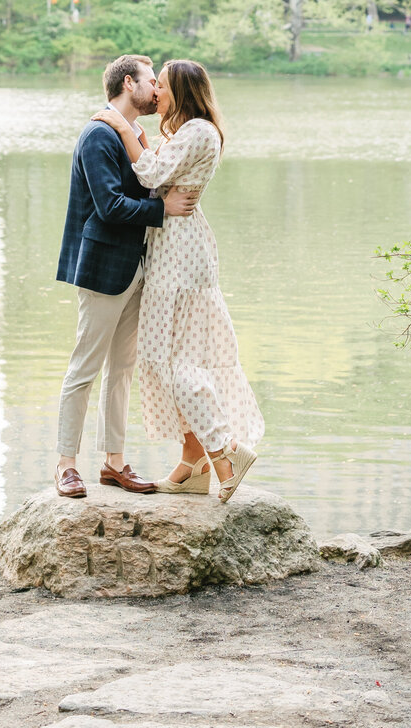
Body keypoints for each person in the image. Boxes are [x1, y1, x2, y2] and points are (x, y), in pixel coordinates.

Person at [92, 59, 262, 504]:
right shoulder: (188, 133)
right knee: (168, 360)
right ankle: (193, 465)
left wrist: (122, 126)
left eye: (162, 86)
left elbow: (148, 174)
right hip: (175, 249)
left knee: (175, 364)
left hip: (181, 256)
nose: (156, 93)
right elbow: (160, 173)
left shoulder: (198, 132)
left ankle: (224, 451)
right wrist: (143, 139)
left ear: (182, 91)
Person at [54, 53, 198, 500]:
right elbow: (109, 206)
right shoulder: (99, 134)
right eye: (152, 81)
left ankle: (114, 464)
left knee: (122, 371)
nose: (158, 90)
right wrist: (162, 209)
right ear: (129, 82)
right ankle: (65, 465)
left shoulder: (136, 133)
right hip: (103, 267)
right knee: (85, 367)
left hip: (138, 266)